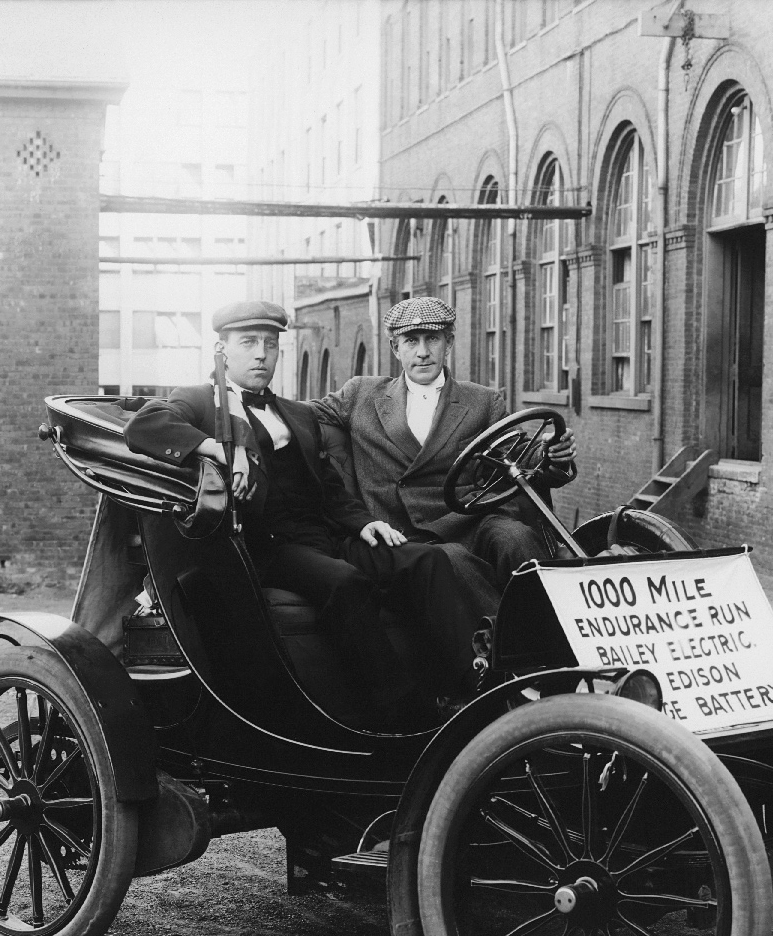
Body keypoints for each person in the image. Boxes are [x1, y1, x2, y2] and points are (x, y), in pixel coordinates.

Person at [123, 300, 484, 728]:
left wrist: (365, 523)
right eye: (249, 343)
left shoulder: (296, 413)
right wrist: (222, 447)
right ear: (223, 350)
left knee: (426, 560)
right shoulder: (200, 401)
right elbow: (143, 427)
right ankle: (401, 714)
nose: (261, 354)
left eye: (270, 345)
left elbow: (330, 490)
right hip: (262, 548)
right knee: (344, 583)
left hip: (323, 536)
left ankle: (471, 688)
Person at [312, 296, 577, 586]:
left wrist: (552, 453)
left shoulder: (483, 401)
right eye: (411, 341)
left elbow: (522, 457)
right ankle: (493, 632)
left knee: (518, 538)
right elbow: (300, 415)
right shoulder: (361, 395)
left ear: (448, 344)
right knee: (453, 561)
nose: (423, 352)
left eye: (432, 339)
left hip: (472, 519)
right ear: (395, 347)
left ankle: (551, 625)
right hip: (404, 532)